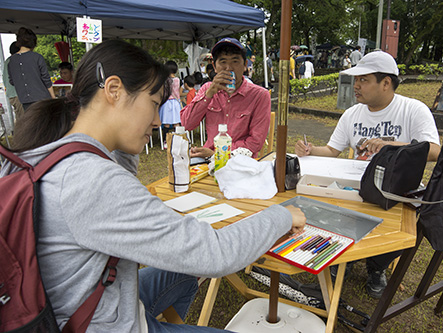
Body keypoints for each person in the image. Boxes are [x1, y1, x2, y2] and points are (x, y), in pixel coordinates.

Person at [0, 39, 306, 332]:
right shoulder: (93, 180)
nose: (158, 122)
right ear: (114, 90)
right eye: (154, 103)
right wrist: (281, 215)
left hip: (73, 305)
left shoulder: (49, 148)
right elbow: (215, 253)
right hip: (97, 323)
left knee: (183, 273)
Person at [295, 51, 441, 299]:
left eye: (364, 80)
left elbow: (435, 151)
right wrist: (310, 150)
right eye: (356, 80)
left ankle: (377, 266)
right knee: (323, 208)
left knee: (402, 232)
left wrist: (390, 145)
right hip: (357, 188)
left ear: (386, 82)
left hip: (397, 190)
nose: (357, 86)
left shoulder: (413, 110)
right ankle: (343, 260)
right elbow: (332, 150)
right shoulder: (353, 113)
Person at [181, 37, 271, 159]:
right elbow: (186, 124)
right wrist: (209, 94)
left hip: (241, 161)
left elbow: (255, 142)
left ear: (245, 65)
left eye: (235, 61)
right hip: (208, 160)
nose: (228, 68)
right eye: (223, 62)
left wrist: (218, 153)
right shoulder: (207, 89)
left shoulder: (259, 95)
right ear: (214, 66)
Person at [7, 27, 56, 111]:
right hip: (42, 99)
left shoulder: (11, 61)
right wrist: (53, 97)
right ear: (33, 42)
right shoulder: (37, 57)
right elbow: (46, 80)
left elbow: (12, 81)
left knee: (33, 123)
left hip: (25, 100)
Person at [159, 60, 182, 136]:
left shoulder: (164, 80)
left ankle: (166, 141)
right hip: (175, 102)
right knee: (176, 123)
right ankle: (178, 139)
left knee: (166, 123)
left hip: (166, 103)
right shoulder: (178, 80)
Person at [2, 42, 24, 123]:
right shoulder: (15, 61)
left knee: (19, 118)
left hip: (12, 95)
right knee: (24, 120)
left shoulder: (7, 61)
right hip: (18, 95)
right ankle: (22, 135)